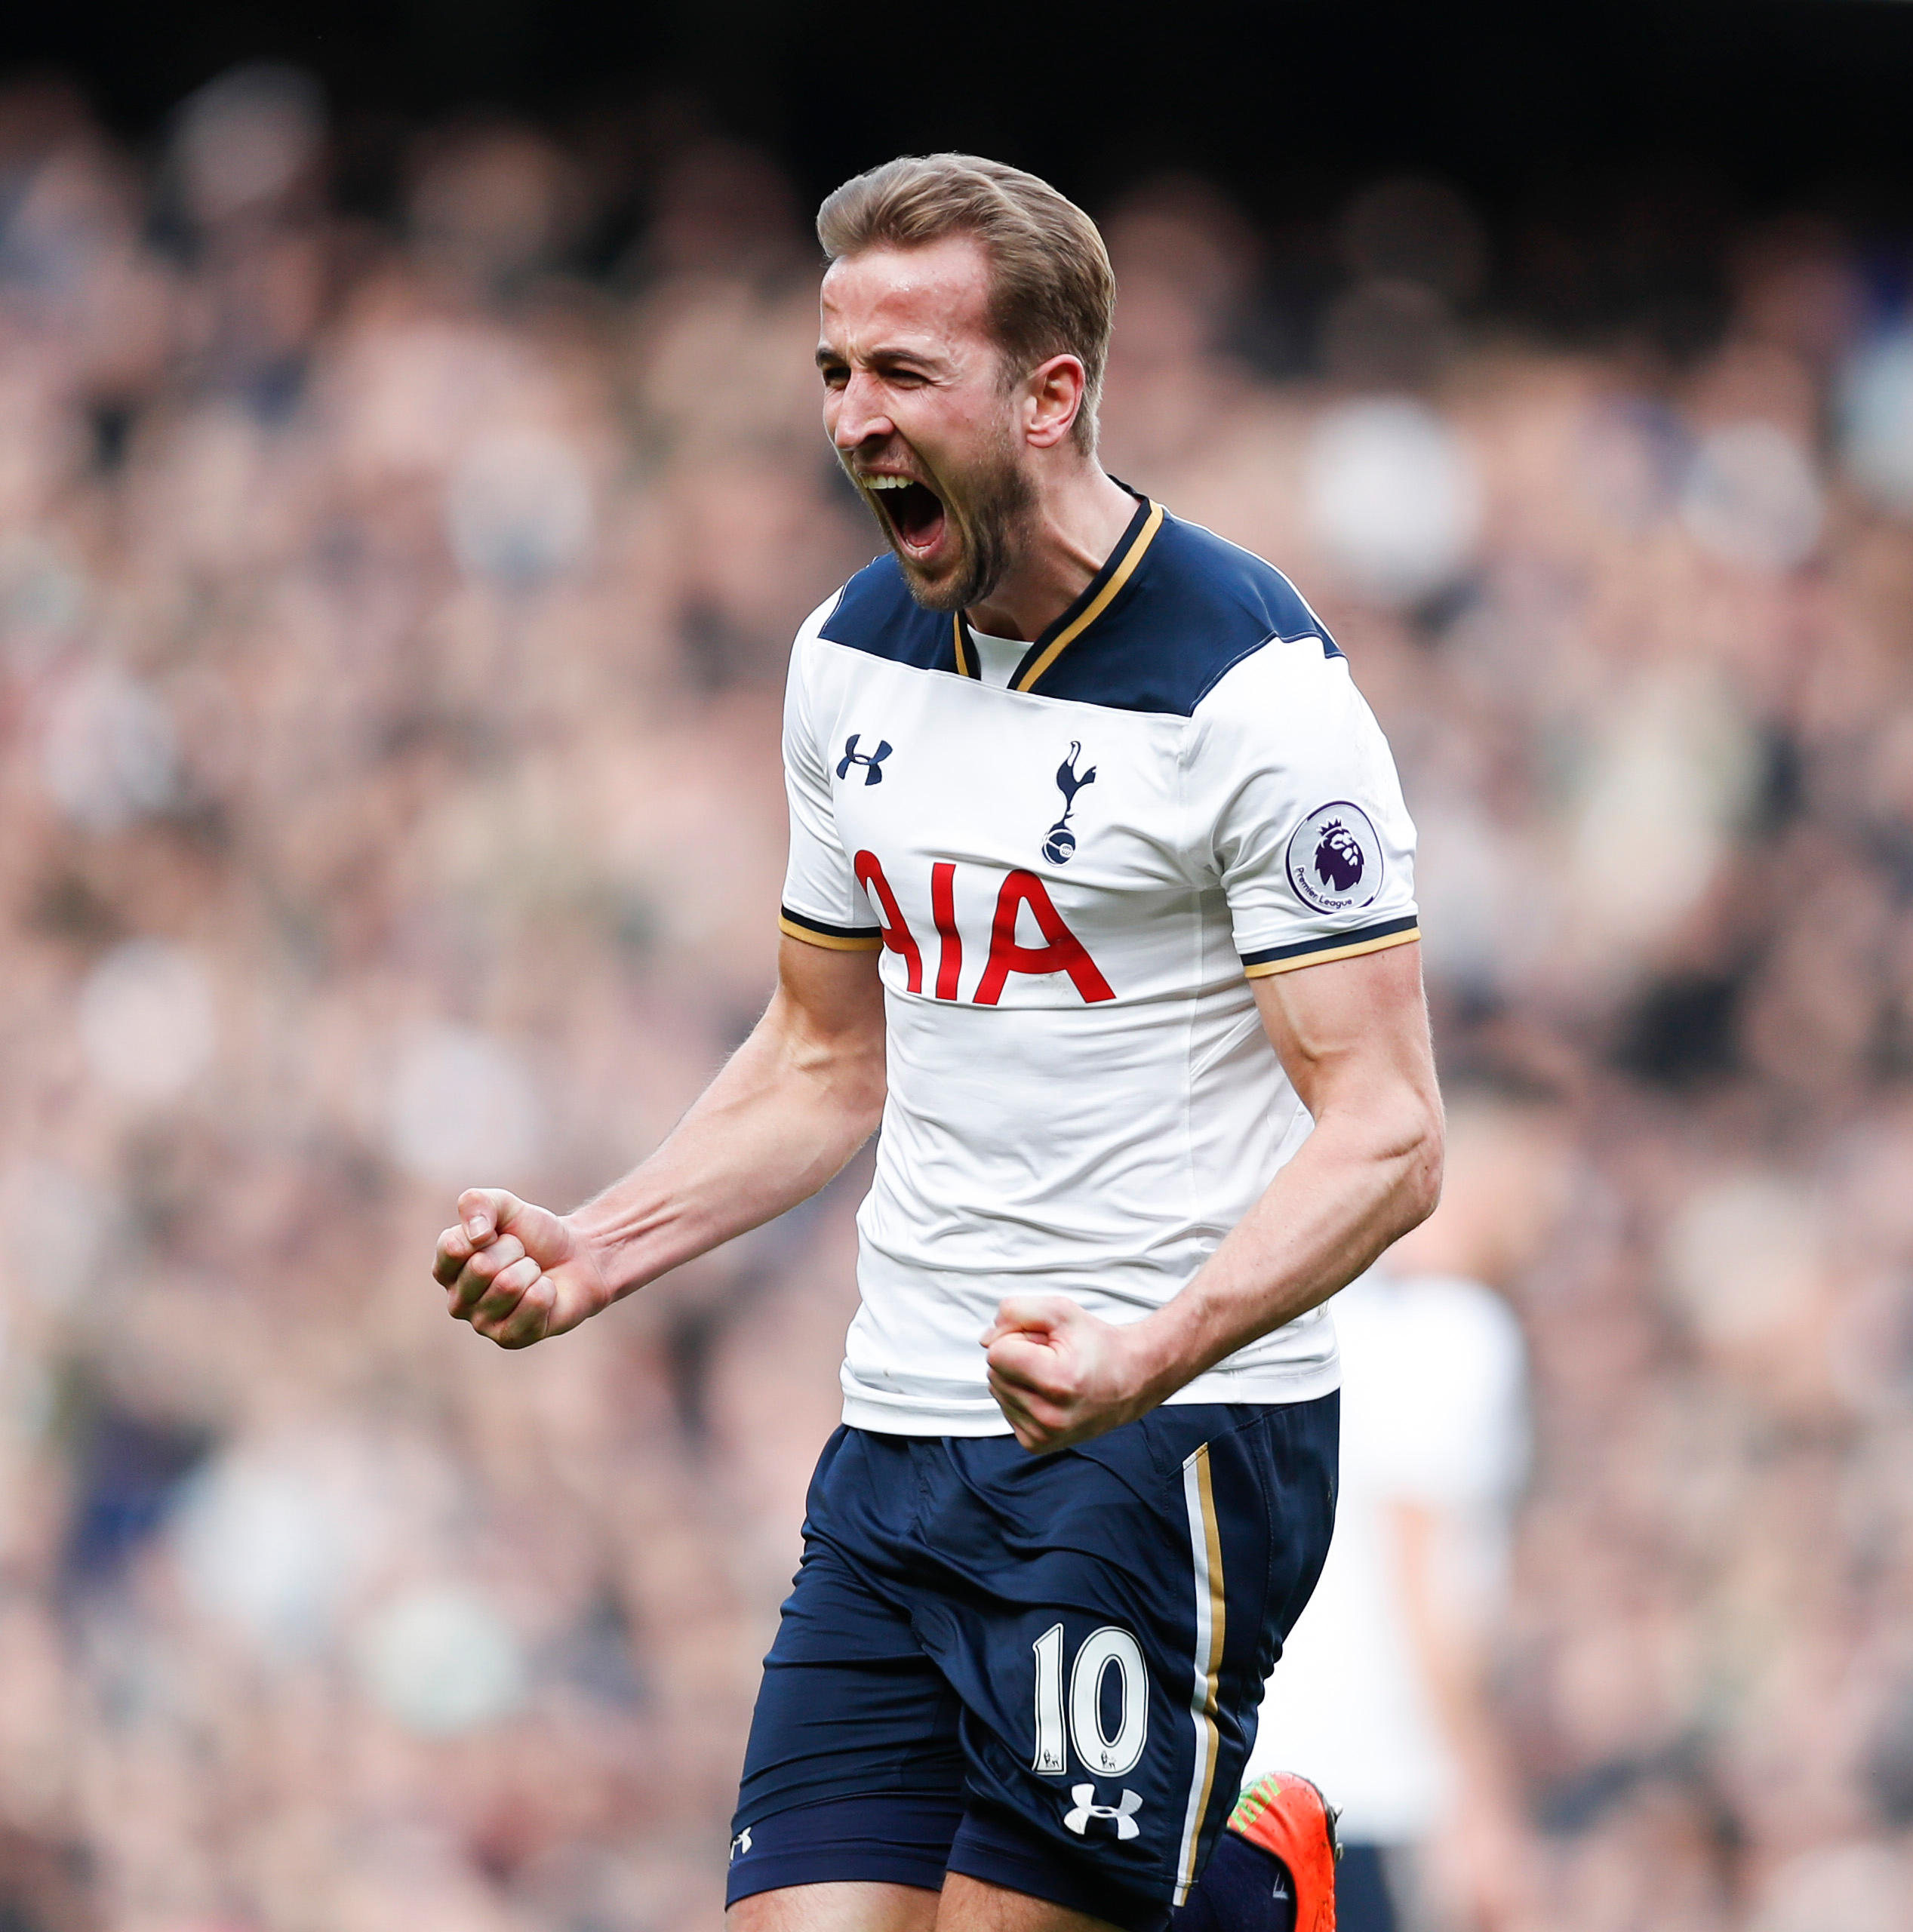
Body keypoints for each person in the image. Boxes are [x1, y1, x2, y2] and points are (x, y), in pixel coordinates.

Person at [432, 153, 1443, 1932]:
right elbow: (825, 1054)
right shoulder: (846, 657)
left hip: (1158, 1443)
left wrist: (1152, 1345)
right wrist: (600, 1243)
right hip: (897, 1435)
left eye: (903, 374)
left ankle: (1240, 1892)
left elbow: (1388, 1131)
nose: (851, 417)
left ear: (1050, 393)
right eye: (833, 371)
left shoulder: (1252, 696)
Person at [1244, 1115, 1547, 1932]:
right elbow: (1423, 1577)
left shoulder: (1324, 1317)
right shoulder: (1458, 1331)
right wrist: (1480, 1797)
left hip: (1258, 1768)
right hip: (1370, 1783)